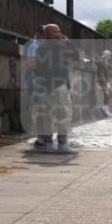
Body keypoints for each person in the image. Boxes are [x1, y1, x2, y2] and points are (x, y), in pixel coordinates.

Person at [32, 24, 80, 154]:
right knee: (64, 114)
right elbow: (76, 56)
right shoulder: (61, 46)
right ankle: (62, 144)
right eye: (58, 31)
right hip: (59, 86)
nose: (61, 32)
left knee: (48, 115)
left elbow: (37, 68)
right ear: (52, 33)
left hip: (44, 86)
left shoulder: (40, 49)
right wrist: (68, 42)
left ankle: (48, 144)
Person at [27, 25, 49, 148]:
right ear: (38, 33)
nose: (46, 36)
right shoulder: (34, 46)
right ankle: (40, 138)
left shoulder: (43, 46)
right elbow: (30, 64)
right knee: (42, 110)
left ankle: (44, 136)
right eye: (44, 33)